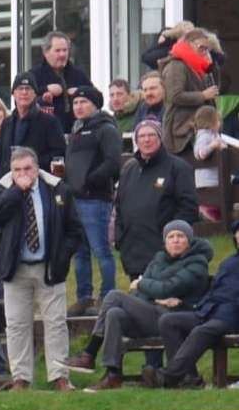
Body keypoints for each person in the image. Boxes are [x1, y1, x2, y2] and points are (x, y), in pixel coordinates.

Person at [0, 147, 82, 391]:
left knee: (56, 323)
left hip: (49, 267)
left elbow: (74, 230)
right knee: (16, 325)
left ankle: (60, 375)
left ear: (37, 168)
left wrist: (61, 256)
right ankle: (21, 378)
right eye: (17, 170)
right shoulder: (3, 190)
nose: (23, 173)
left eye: (27, 169)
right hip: (15, 269)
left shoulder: (57, 189)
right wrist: (17, 190)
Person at [68, 220, 210, 389]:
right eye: (171, 237)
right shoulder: (158, 260)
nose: (176, 240)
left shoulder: (197, 262)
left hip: (173, 320)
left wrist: (144, 284)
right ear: (165, 241)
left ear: (189, 240)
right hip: (151, 316)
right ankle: (113, 374)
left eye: (181, 236)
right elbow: (138, 294)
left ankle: (89, 353)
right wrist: (155, 295)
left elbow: (167, 287)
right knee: (114, 313)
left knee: (115, 296)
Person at [114, 118, 199, 291]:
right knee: (138, 305)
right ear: (136, 141)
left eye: (151, 135)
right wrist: (119, 238)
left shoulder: (177, 167)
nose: (147, 140)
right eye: (142, 136)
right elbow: (120, 208)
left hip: (165, 253)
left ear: (160, 138)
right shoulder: (129, 169)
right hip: (133, 253)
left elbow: (189, 207)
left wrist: (173, 239)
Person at [156, 221, 239, 388]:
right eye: (238, 233)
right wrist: (195, 306)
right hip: (208, 311)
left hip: (232, 316)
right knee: (168, 321)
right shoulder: (229, 262)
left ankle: (169, 376)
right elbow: (214, 289)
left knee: (202, 330)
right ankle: (190, 379)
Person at [62, 87, 122, 315]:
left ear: (95, 104)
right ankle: (84, 297)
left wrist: (88, 181)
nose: (78, 106)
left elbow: (113, 163)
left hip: (95, 199)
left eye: (83, 102)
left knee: (101, 250)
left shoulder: (106, 129)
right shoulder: (76, 130)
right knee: (80, 253)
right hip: (75, 199)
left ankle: (107, 296)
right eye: (75, 102)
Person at [160, 27, 219, 159]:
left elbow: (215, 91)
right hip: (181, 133)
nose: (204, 52)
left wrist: (211, 67)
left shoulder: (196, 66)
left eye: (207, 49)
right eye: (201, 47)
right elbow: (175, 96)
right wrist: (202, 96)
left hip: (198, 130)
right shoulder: (176, 66)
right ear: (188, 44)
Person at [0, 74, 66, 176]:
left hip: (37, 181)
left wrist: (30, 164)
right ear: (13, 93)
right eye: (20, 88)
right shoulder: (7, 123)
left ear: (35, 94)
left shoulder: (49, 121)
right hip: (8, 184)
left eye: (28, 88)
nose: (24, 92)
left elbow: (59, 153)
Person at [28, 32, 90, 116]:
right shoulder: (34, 75)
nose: (62, 54)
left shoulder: (78, 74)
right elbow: (22, 100)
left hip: (76, 127)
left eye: (65, 50)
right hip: (46, 127)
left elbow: (98, 98)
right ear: (46, 52)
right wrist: (45, 90)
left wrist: (80, 91)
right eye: (58, 51)